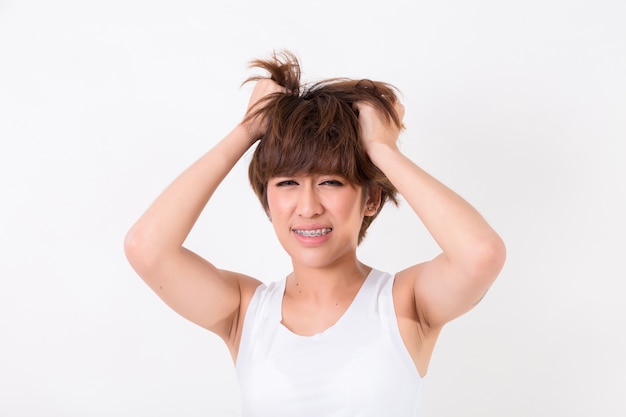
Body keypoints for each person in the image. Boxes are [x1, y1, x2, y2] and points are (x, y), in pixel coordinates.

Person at [124, 50, 506, 416]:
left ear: (371, 199)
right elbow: (147, 248)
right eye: (288, 182)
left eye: (331, 182)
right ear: (267, 200)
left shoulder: (405, 303)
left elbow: (480, 254)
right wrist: (246, 131)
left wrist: (382, 150)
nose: (307, 207)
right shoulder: (245, 311)